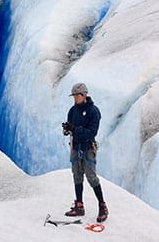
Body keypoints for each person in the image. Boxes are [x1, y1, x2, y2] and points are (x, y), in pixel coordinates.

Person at [62, 83, 108, 222]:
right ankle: (79, 206)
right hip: (76, 147)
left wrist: (74, 129)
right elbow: (71, 127)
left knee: (91, 177)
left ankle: (102, 206)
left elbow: (91, 133)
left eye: (76, 96)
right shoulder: (73, 111)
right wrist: (67, 130)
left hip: (87, 148)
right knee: (77, 175)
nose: (75, 98)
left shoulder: (94, 111)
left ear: (84, 95)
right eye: (74, 96)